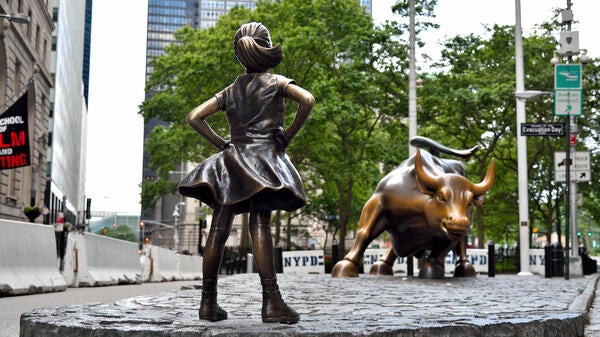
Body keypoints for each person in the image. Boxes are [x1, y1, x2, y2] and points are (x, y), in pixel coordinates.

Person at [178, 22, 314, 324]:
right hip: (263, 160)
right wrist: (288, 135)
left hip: (231, 162)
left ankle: (207, 303)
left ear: (239, 55)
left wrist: (222, 144)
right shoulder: (276, 82)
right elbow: (307, 100)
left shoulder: (230, 90)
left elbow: (194, 117)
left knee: (219, 227)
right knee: (260, 222)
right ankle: (271, 302)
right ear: (265, 48)